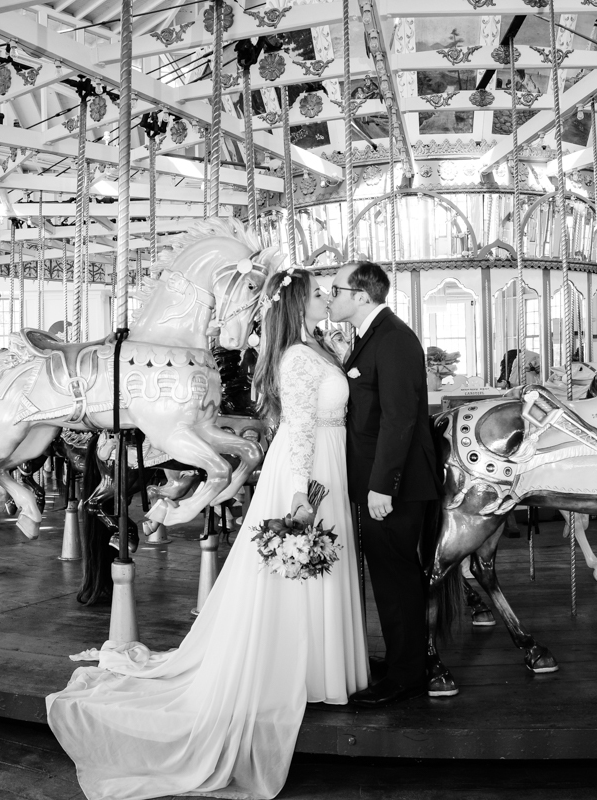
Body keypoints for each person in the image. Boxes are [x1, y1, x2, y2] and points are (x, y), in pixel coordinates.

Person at [46, 269, 368, 800]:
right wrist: (299, 490)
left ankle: (319, 667)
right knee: (300, 561)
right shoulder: (294, 357)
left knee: (316, 564)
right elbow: (302, 426)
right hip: (308, 467)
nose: (326, 297)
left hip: (326, 461)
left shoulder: (314, 346)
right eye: (317, 293)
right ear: (296, 304)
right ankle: (301, 669)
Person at [326, 261, 443, 707]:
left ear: (361, 295)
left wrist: (382, 487)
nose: (330, 296)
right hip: (378, 480)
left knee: (396, 581)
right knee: (389, 578)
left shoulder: (393, 338)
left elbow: (399, 419)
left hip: (394, 484)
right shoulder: (371, 336)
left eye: (336, 289)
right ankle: (402, 661)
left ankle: (407, 676)